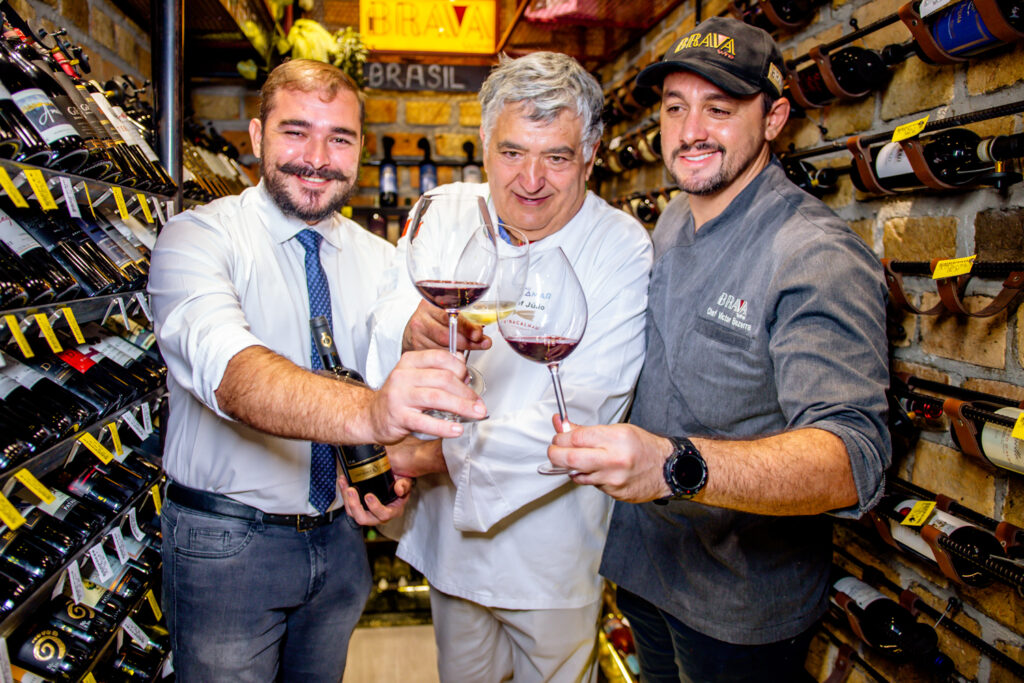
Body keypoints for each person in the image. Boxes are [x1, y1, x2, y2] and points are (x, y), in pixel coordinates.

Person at [547, 16, 891, 682]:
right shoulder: (677, 215)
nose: (691, 130)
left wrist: (675, 466)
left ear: (773, 119)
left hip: (736, 605)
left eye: (720, 108)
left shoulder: (815, 254)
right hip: (645, 569)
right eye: (675, 107)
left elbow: (853, 458)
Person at [148, 59, 485, 682]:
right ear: (257, 136)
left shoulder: (381, 259)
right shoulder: (196, 239)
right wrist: (371, 413)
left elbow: (402, 347)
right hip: (227, 542)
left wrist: (427, 339)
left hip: (339, 538)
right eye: (295, 132)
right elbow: (232, 374)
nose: (317, 158)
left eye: (340, 139)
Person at [365, 52, 653, 682]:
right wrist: (409, 327)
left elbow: (587, 408)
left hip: (550, 551)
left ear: (591, 154)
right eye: (512, 152)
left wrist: (422, 457)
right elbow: (385, 308)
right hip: (450, 540)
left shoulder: (620, 246)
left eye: (557, 157)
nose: (530, 180)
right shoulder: (446, 211)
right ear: (484, 142)